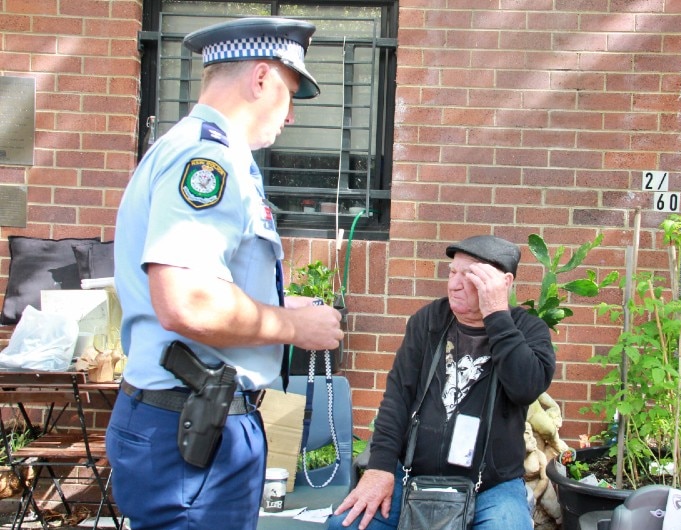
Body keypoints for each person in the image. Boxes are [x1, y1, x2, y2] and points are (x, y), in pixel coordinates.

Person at [105, 17, 344, 530]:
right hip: (193, 428)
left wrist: (284, 307)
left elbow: (208, 283)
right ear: (261, 78)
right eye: (291, 93)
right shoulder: (207, 159)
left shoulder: (198, 150)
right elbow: (187, 301)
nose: (292, 117)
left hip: (192, 421)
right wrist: (294, 328)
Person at [329, 235, 556, 530]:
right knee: (346, 525)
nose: (454, 284)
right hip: (412, 476)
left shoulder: (527, 329)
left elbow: (526, 386)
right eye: (452, 273)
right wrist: (381, 468)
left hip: (490, 487)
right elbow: (398, 396)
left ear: (504, 282)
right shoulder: (428, 321)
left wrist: (497, 315)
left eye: (470, 276)